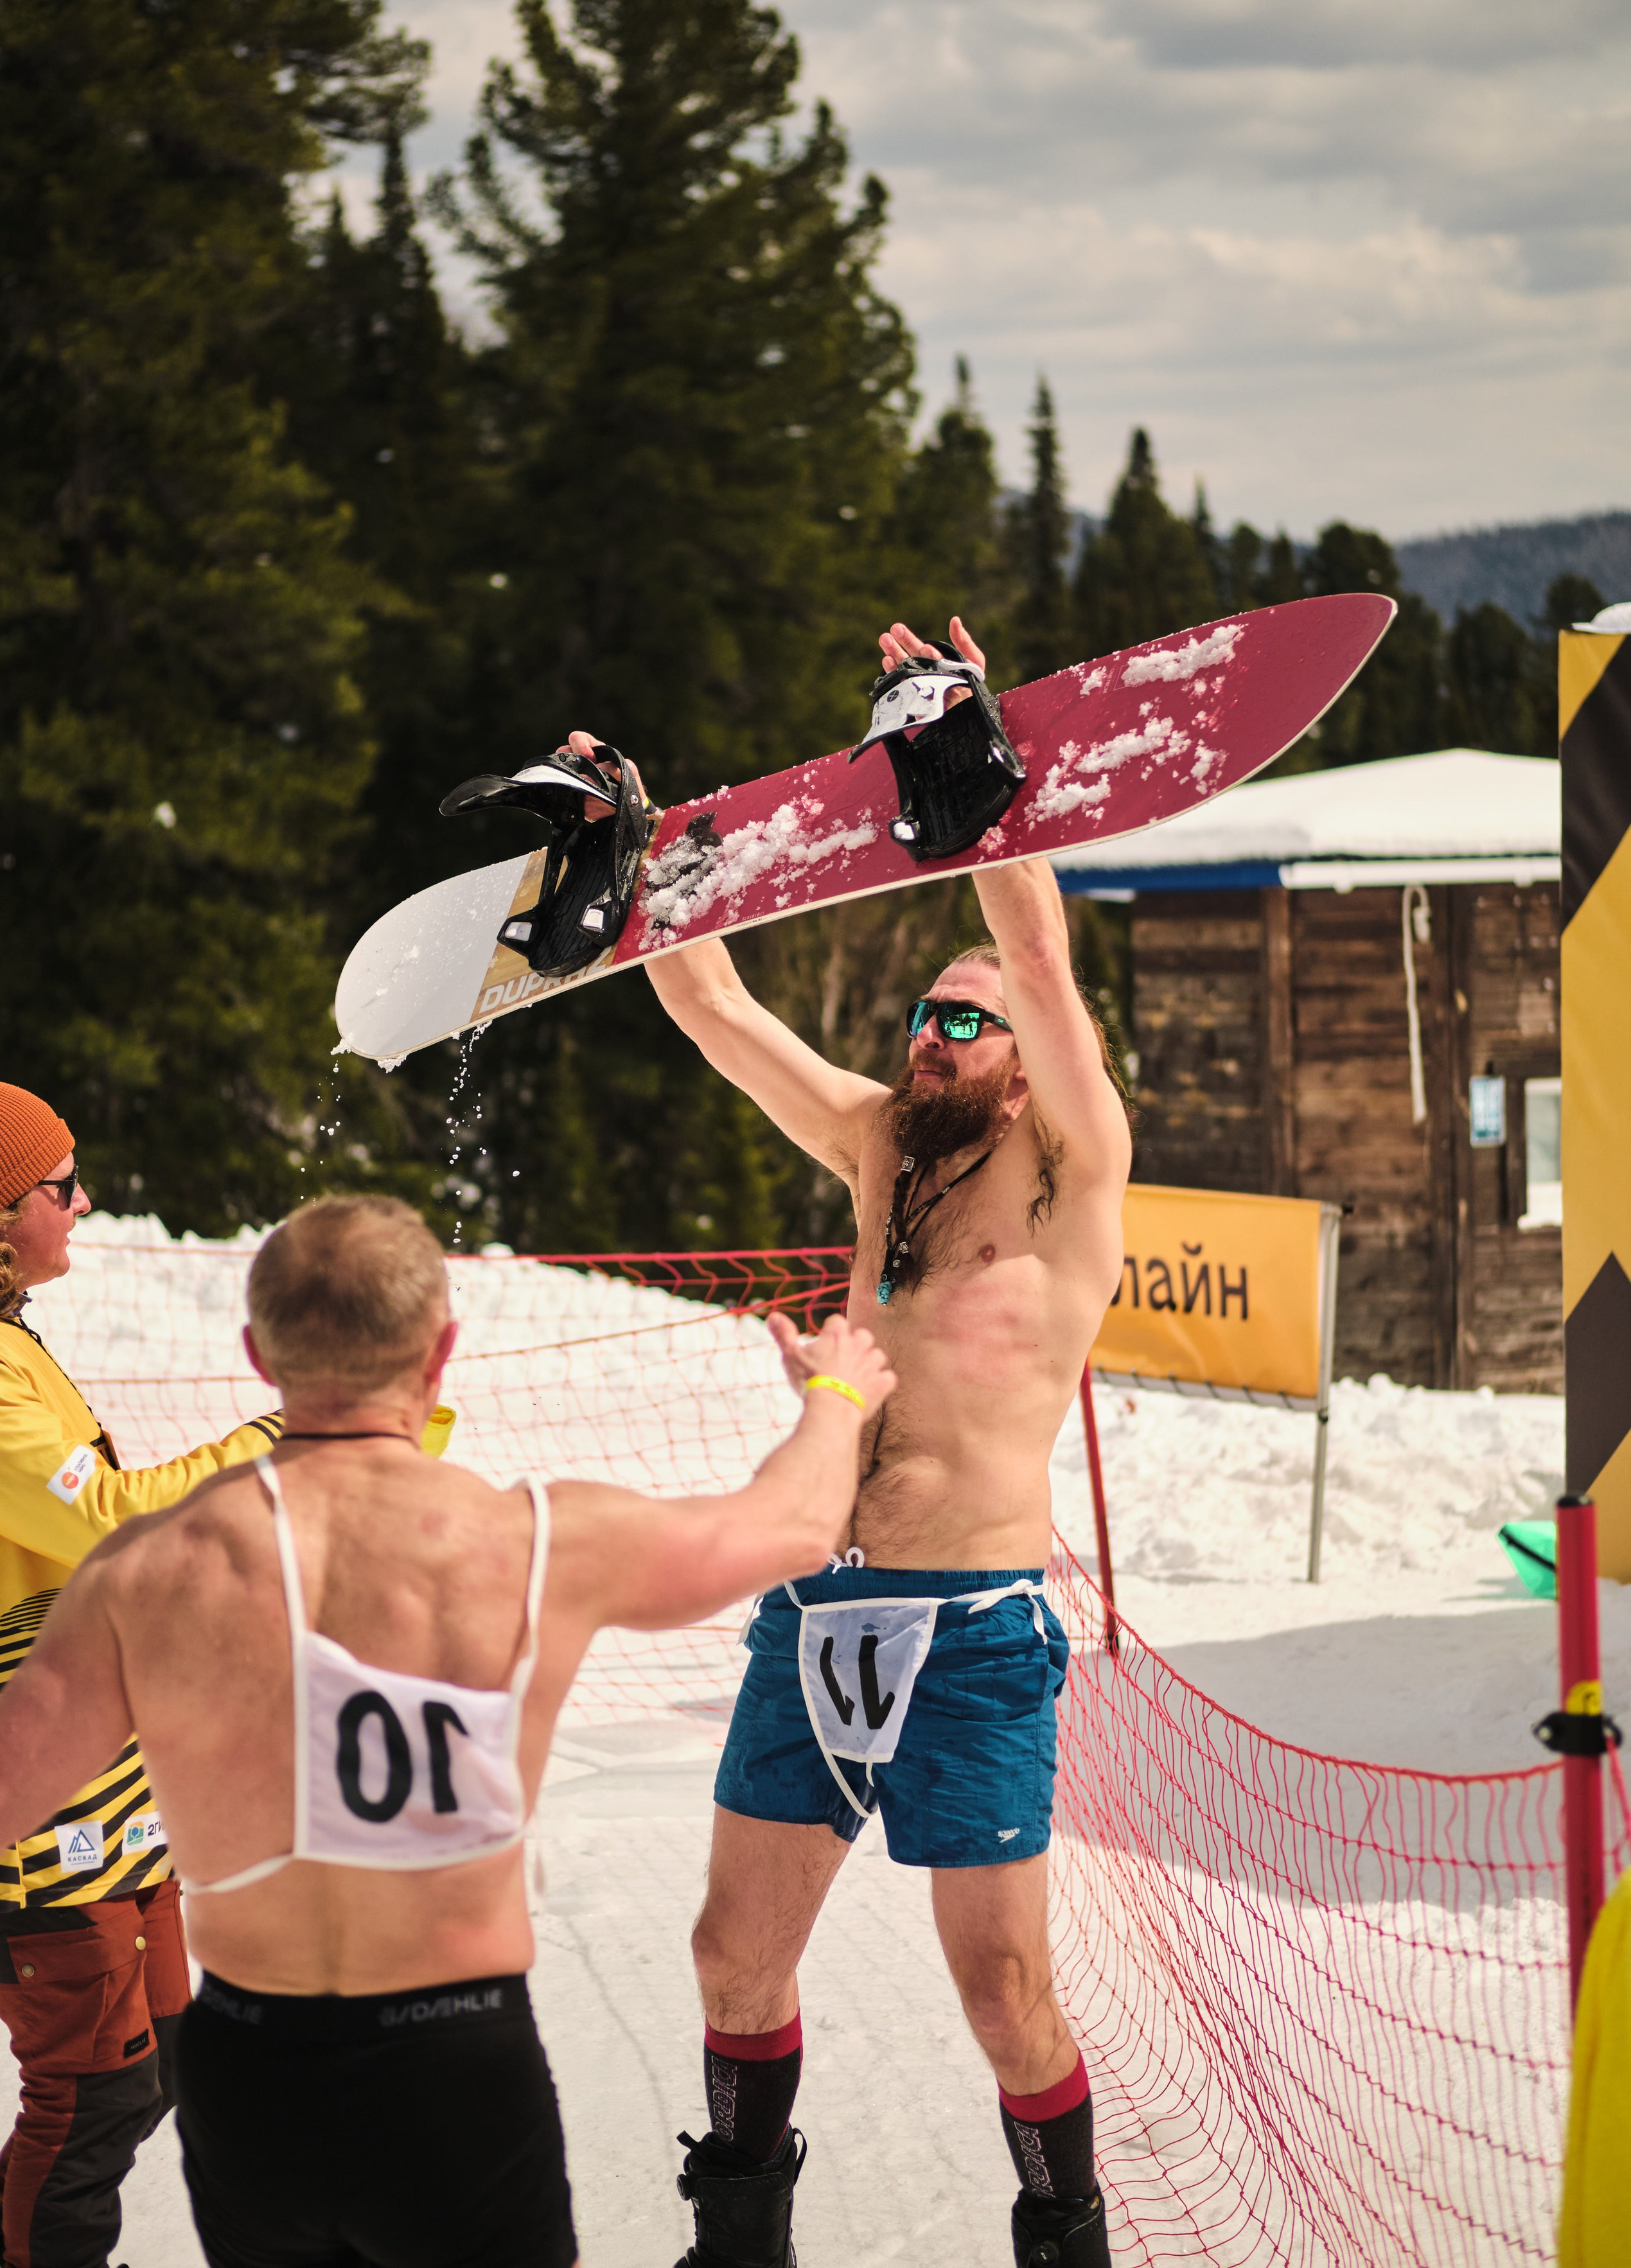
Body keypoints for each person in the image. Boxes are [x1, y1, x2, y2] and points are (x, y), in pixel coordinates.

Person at [0, 1191, 893, 2268]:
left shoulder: (146, 1571)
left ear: (257, 1355)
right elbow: (786, 1528)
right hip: (455, 2062)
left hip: (251, 2070)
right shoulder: (529, 1542)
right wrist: (835, 1401)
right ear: (442, 1350)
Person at [567, 613, 1132, 2268]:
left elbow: (1032, 956)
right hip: (818, 1614)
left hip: (973, 1634)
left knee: (1001, 1991)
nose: (928, 1038)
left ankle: (1065, 2238)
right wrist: (641, 851)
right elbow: (719, 1015)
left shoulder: (1068, 1174)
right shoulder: (882, 1144)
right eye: (917, 1017)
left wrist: (963, 774)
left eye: (960, 1026)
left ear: (1026, 1072)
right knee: (729, 1962)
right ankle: (740, 2242)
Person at [0, 1077, 302, 2268]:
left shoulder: (9, 1336)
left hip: (109, 1777)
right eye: (57, 1185)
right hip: (34, 1792)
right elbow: (109, 1519)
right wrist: (285, 1441)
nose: (83, 1201)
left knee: (160, 2059)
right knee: (91, 2095)